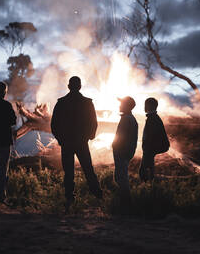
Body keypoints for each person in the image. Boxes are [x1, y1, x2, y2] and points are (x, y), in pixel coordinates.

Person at [51, 76, 103, 210]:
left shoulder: (61, 102)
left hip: (67, 143)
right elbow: (94, 122)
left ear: (69, 86)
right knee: (88, 169)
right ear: (80, 87)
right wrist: (89, 137)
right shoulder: (87, 102)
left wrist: (60, 139)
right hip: (81, 142)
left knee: (68, 172)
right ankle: (98, 196)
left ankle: (69, 198)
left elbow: (54, 124)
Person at [112, 96, 138, 207]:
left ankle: (126, 204)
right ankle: (123, 202)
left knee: (121, 178)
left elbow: (122, 137)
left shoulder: (127, 119)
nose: (119, 105)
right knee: (119, 176)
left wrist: (116, 147)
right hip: (123, 152)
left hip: (122, 152)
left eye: (121, 103)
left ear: (127, 106)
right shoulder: (129, 118)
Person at [139, 97, 170, 182]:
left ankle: (147, 189)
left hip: (150, 148)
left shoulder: (152, 118)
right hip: (151, 148)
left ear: (148, 106)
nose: (144, 107)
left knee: (143, 172)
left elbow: (151, 136)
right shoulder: (153, 117)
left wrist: (146, 149)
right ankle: (150, 186)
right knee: (149, 169)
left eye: (145, 105)